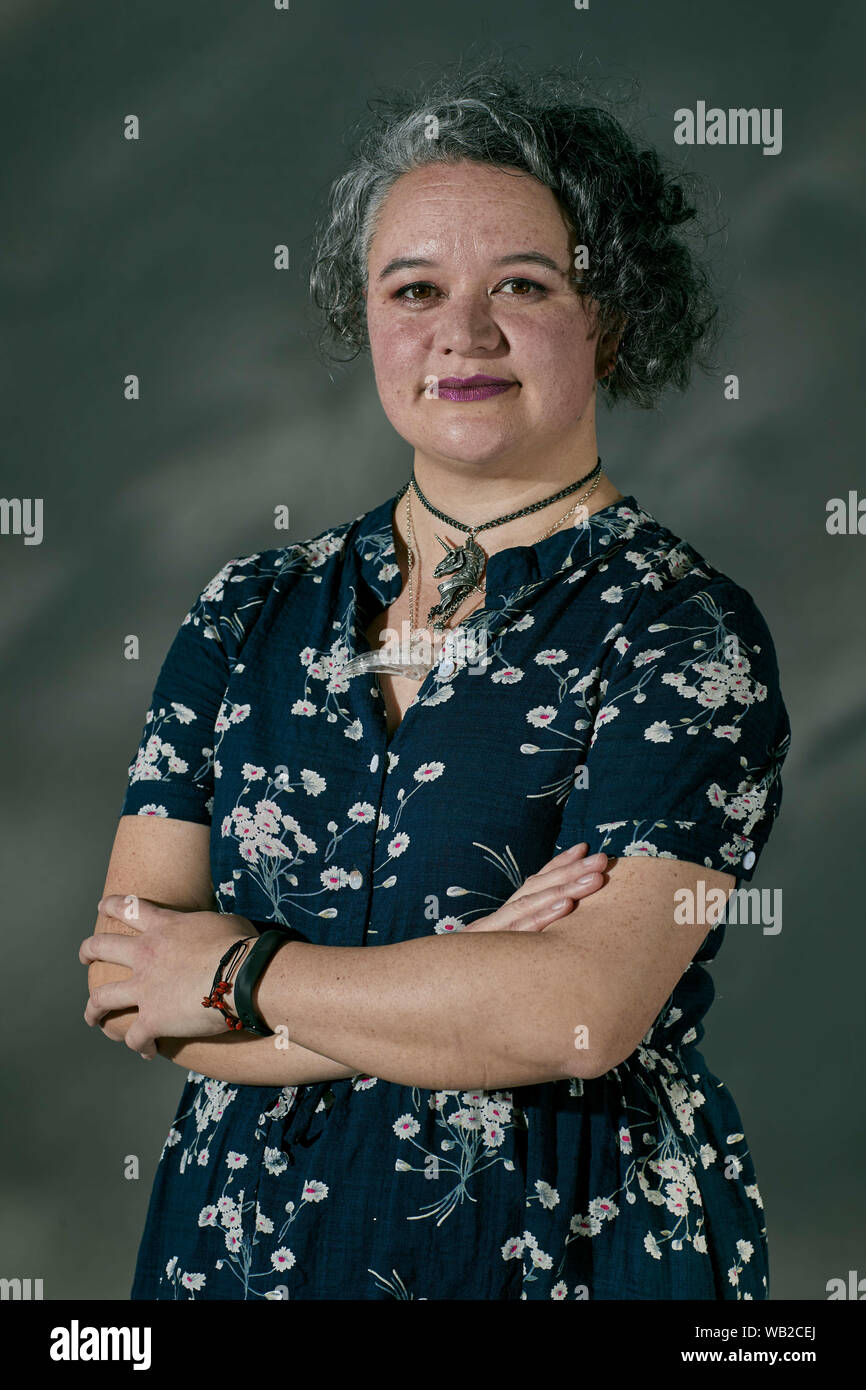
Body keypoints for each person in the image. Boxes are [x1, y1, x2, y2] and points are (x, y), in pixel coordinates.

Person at [81, 59, 791, 1301]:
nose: (461, 333)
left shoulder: (686, 633)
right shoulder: (247, 610)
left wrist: (238, 971)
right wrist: (460, 971)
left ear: (608, 315)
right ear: (367, 319)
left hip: (563, 1240)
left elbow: (574, 1015)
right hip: (240, 1249)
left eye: (521, 284)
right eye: (415, 288)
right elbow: (129, 985)